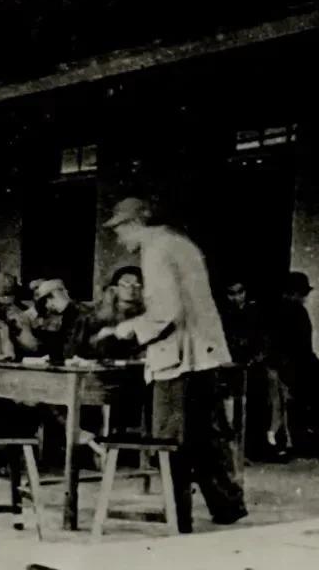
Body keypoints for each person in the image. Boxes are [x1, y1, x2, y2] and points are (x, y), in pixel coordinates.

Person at [93, 197, 247, 532]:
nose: (119, 238)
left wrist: (122, 330)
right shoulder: (180, 243)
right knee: (206, 436)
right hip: (205, 356)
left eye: (119, 230)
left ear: (135, 224)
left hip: (179, 360)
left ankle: (179, 518)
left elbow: (166, 312)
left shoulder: (156, 250)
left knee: (170, 441)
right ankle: (227, 505)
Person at [265, 271, 319, 453]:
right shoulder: (293, 312)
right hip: (295, 366)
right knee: (297, 405)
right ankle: (301, 441)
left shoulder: (282, 311)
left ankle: (300, 440)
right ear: (293, 293)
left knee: (296, 405)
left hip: (294, 364)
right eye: (301, 294)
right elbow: (298, 346)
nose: (304, 298)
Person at [30, 278, 88, 362]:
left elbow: (71, 350)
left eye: (47, 300)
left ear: (55, 295)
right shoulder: (68, 314)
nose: (47, 305)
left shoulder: (78, 315)